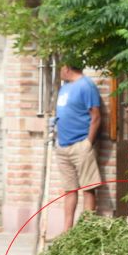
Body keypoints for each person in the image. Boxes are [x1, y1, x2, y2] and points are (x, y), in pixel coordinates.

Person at [55, 64, 102, 232]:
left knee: (88, 188)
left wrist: (88, 143)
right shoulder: (65, 88)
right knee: (69, 189)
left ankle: (86, 230)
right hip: (63, 146)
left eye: (60, 68)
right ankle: (67, 232)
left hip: (80, 145)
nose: (58, 71)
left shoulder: (86, 85)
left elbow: (95, 116)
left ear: (67, 68)